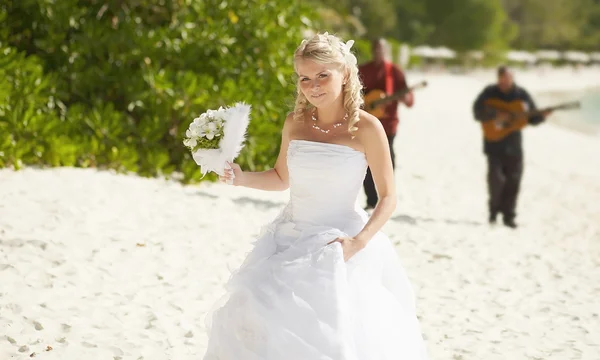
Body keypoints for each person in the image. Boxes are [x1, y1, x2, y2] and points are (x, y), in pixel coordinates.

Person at [203, 33, 428, 360]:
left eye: (323, 75)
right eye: (305, 78)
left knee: (330, 335)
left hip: (338, 245)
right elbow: (281, 178)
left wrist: (358, 243)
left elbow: (388, 197)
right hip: (286, 239)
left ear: (345, 74)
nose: (314, 86)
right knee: (258, 319)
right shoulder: (294, 123)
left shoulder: (367, 128)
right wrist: (239, 177)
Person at [472, 65, 551, 228]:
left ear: (512, 78)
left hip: (514, 145)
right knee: (495, 179)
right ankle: (493, 212)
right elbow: (477, 112)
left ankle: (509, 216)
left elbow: (532, 118)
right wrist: (496, 115)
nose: (505, 81)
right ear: (498, 78)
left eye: (508, 78)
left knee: (513, 181)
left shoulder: (521, 95)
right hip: (493, 143)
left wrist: (542, 117)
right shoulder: (489, 93)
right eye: (502, 78)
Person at [358, 38, 414, 211]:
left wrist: (406, 98)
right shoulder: (363, 70)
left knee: (388, 158)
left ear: (386, 51)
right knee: (365, 160)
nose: (378, 53)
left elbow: (410, 100)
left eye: (381, 50)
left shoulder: (394, 72)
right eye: (375, 50)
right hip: (366, 123)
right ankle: (371, 200)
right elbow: (352, 94)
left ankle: (386, 196)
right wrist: (364, 103)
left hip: (388, 124)